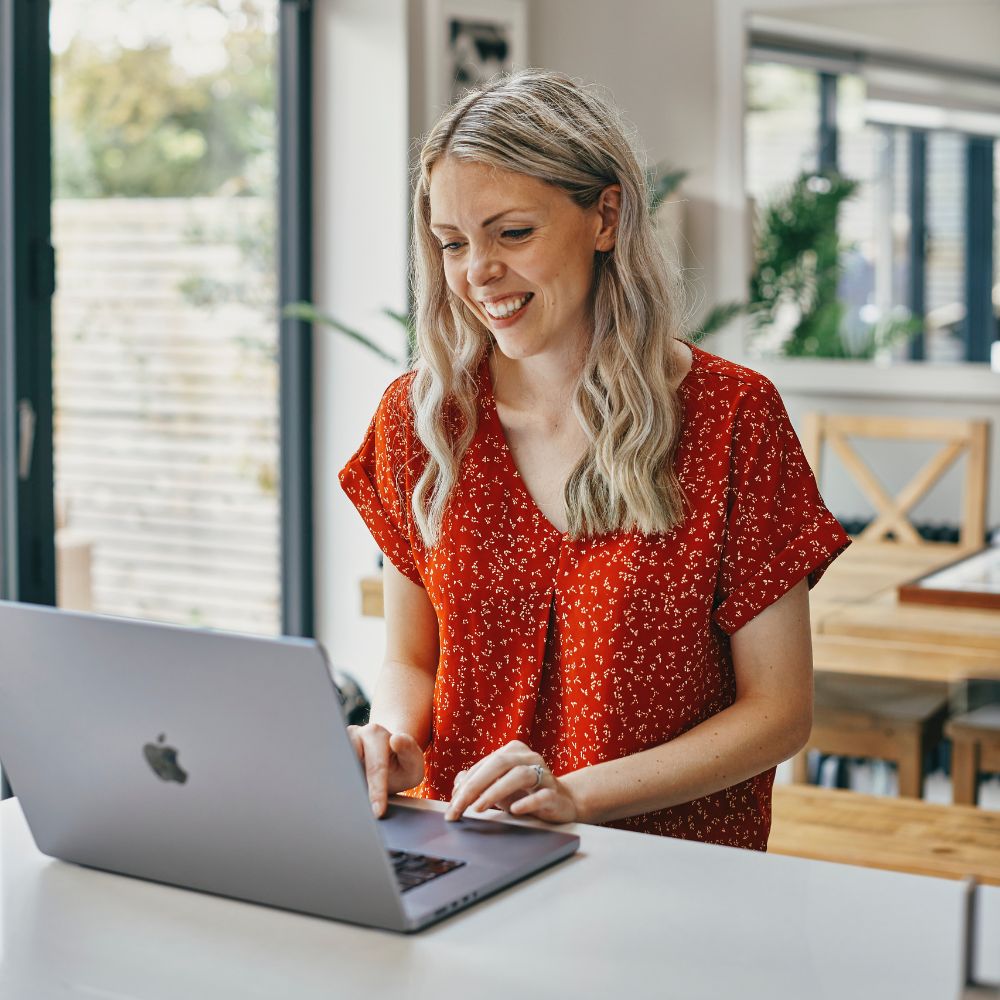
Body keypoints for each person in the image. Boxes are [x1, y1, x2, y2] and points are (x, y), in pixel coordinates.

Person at [339, 69, 849, 851]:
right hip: (469, 856)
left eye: (513, 233)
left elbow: (778, 713)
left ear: (605, 217)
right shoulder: (421, 421)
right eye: (452, 243)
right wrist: (395, 739)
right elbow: (411, 659)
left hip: (671, 868)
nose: (477, 272)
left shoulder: (733, 417)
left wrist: (572, 797)